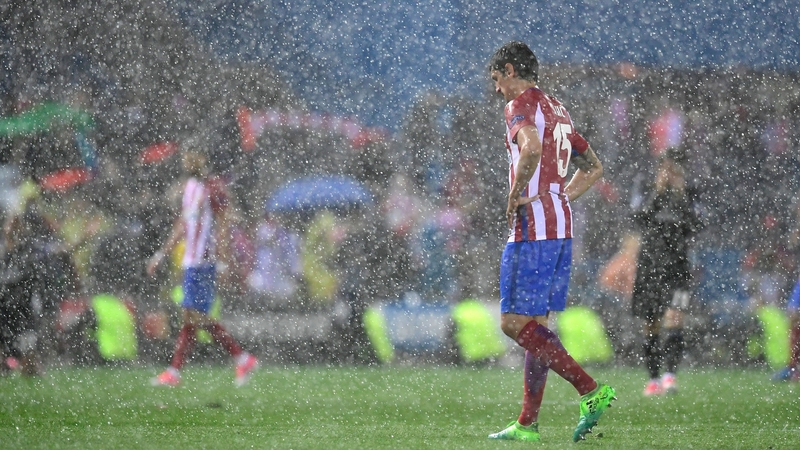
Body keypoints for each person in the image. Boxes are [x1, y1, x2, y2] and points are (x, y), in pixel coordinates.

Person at [485, 41, 615, 443]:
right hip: (560, 225)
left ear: (510, 70)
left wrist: (515, 194)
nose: (497, 89)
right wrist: (560, 196)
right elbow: (593, 167)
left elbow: (531, 148)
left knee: (513, 322)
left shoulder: (519, 104)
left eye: (497, 79)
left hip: (533, 227)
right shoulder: (557, 108)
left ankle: (590, 389)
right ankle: (527, 423)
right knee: (536, 325)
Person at [147, 147, 257, 387]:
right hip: (191, 260)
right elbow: (183, 223)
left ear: (203, 158)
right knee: (192, 317)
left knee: (194, 315)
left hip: (204, 260)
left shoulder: (212, 187)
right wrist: (161, 254)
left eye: (191, 158)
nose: (186, 162)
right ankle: (237, 359)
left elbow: (223, 225)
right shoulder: (189, 187)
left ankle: (237, 358)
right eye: (184, 158)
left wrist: (224, 262)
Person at [630, 147, 702, 396]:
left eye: (675, 168)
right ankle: (653, 379)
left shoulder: (691, 192)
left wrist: (682, 196)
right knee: (651, 322)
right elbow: (637, 218)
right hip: (650, 263)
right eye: (666, 166)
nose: (670, 172)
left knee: (675, 317)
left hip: (678, 263)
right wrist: (657, 194)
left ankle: (670, 375)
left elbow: (697, 225)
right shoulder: (645, 186)